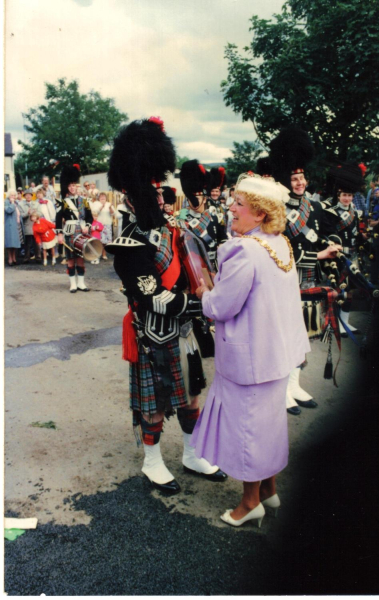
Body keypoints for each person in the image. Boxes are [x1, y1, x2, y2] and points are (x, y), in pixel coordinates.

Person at [106, 117, 227, 494]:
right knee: (155, 404)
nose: (161, 198)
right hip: (154, 334)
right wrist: (202, 306)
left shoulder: (174, 230)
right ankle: (152, 461)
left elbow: (198, 266)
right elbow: (153, 297)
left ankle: (192, 454)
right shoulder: (129, 243)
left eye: (162, 192)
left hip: (184, 333)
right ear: (132, 196)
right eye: (153, 192)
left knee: (192, 397)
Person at [191, 173, 310, 527]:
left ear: (259, 214)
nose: (230, 209)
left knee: (248, 431)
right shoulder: (280, 243)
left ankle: (249, 502)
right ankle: (270, 491)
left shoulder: (244, 249)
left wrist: (204, 294)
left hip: (249, 358)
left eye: (238, 205)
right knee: (268, 425)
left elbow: (221, 307)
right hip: (277, 355)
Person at [269, 127, 342, 415]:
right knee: (287, 336)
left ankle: (295, 385)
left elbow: (320, 234)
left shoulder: (311, 206)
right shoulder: (278, 208)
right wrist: (319, 253)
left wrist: (332, 246)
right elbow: (282, 249)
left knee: (305, 334)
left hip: (309, 279)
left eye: (302, 177)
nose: (299, 182)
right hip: (287, 278)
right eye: (294, 178)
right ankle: (283, 391)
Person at [321, 164, 365, 335]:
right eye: (344, 195)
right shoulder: (331, 212)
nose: (347, 198)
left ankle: (345, 322)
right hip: (337, 257)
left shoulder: (355, 212)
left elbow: (356, 233)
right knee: (336, 290)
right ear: (338, 195)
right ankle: (331, 323)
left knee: (350, 291)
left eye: (349, 195)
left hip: (352, 254)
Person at [178, 160, 228, 269]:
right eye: (191, 199)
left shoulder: (214, 216)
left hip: (212, 263)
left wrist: (221, 246)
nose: (193, 202)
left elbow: (222, 237)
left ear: (204, 199)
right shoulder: (182, 218)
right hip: (193, 265)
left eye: (197, 198)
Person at [56, 164, 92, 292]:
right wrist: (59, 234)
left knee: (81, 258)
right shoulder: (63, 202)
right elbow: (58, 219)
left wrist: (87, 226)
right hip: (70, 232)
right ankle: (73, 284)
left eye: (74, 185)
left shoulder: (84, 201)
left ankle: (81, 283)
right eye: (70, 186)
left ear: (77, 186)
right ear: (67, 186)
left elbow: (90, 217)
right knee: (71, 259)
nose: (72, 188)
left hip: (82, 231)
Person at [90, 192, 115, 261]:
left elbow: (113, 213)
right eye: (101, 196)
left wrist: (110, 207)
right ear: (99, 198)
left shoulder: (108, 204)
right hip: (99, 225)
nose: (102, 198)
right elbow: (94, 213)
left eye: (104, 196)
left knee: (105, 241)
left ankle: (104, 254)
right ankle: (97, 254)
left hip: (107, 224)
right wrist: (101, 207)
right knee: (99, 241)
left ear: (106, 198)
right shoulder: (96, 204)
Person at [19, 190, 40, 263]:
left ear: (32, 196)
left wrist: (35, 214)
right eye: (26, 195)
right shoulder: (21, 204)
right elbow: (21, 215)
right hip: (27, 225)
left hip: (35, 225)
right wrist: (27, 213)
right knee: (27, 243)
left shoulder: (36, 204)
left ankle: (38, 257)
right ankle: (26, 258)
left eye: (30, 195)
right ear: (24, 196)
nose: (28, 196)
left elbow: (40, 213)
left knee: (36, 242)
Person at [4, 190, 24, 266]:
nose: (13, 197)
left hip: (16, 225)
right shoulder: (6, 203)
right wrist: (12, 203)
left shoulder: (16, 203)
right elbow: (9, 210)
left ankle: (14, 258)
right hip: (9, 225)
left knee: (15, 243)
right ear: (8, 196)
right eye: (11, 195)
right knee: (10, 243)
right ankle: (10, 258)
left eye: (14, 195)